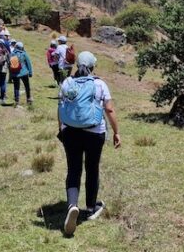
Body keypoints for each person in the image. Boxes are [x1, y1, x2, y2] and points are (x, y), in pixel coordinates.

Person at [57, 51, 120, 236]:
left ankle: (72, 206)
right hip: (95, 133)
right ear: (93, 66)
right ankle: (91, 208)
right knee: (92, 168)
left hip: (70, 132)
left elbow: (60, 108)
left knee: (73, 169)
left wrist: (61, 129)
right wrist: (117, 132)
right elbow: (109, 109)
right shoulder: (100, 84)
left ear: (77, 65)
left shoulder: (67, 82)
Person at [9, 41, 33, 107]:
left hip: (15, 74)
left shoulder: (12, 54)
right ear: (22, 47)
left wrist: (10, 75)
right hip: (24, 73)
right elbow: (29, 63)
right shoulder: (24, 54)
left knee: (16, 87)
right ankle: (28, 99)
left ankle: (17, 101)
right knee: (27, 86)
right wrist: (30, 72)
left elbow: (9, 64)